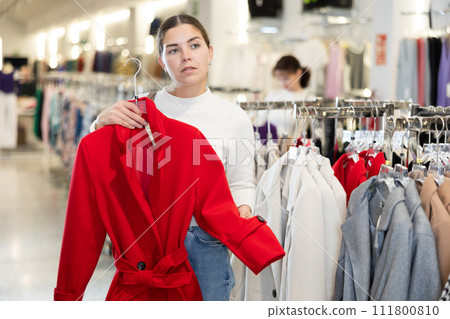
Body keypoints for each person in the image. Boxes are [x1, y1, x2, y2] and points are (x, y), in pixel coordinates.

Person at [90, 14, 255, 301]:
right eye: (174, 50)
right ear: (162, 60)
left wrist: (242, 208)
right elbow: (99, 163)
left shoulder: (233, 118)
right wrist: (99, 124)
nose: (185, 57)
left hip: (206, 241)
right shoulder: (142, 110)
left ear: (210, 52)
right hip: (149, 241)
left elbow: (242, 182)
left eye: (194, 45)